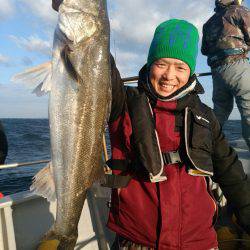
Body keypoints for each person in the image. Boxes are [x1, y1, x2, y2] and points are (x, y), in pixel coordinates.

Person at [103, 19, 250, 249]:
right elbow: (95, 60)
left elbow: (230, 170)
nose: (169, 76)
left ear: (190, 71)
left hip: (199, 241)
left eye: (180, 67)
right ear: (150, 64)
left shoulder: (205, 116)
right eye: (161, 64)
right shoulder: (123, 104)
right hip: (138, 241)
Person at [201, 0, 250, 151]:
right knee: (248, 107)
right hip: (237, 66)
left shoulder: (208, 23)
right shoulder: (239, 10)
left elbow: (204, 50)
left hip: (217, 71)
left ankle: (203, 148)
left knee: (220, 111)